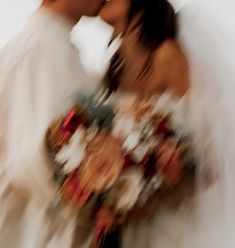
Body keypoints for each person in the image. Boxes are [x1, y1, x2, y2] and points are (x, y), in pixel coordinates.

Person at [100, 0, 235, 247]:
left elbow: (210, 140)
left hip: (175, 221)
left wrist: (163, 162)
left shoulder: (168, 55)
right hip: (135, 222)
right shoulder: (116, 67)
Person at [0, 0, 105, 247]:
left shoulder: (54, 43)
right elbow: (35, 157)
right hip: (35, 231)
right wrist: (101, 203)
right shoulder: (40, 46)